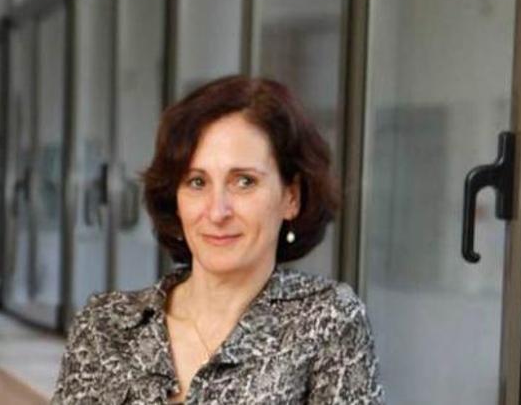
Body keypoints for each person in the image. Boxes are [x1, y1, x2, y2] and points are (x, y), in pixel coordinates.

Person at [53, 76, 383, 404]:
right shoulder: (104, 327)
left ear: (291, 197)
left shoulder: (326, 322)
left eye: (244, 181)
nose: (217, 211)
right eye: (197, 182)